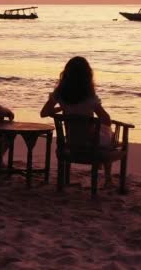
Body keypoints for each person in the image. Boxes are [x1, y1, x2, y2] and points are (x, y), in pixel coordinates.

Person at [40, 56, 116, 187]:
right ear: (87, 75)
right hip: (91, 143)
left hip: (71, 142)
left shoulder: (60, 94)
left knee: (102, 134)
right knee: (109, 133)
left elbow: (44, 113)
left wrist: (61, 108)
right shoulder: (90, 97)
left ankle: (98, 168)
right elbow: (107, 120)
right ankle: (108, 178)